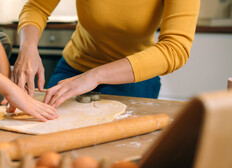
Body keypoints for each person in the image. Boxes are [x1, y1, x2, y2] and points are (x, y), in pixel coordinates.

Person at [11, 0, 200, 109]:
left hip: (134, 76)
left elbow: (176, 48)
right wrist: (28, 48)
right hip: (74, 67)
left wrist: (96, 75)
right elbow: (37, 6)